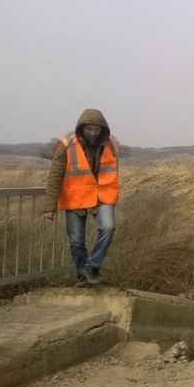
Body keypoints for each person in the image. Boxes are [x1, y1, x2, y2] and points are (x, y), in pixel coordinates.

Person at [42, 109, 119, 287]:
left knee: (108, 227)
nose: (93, 133)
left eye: (97, 129)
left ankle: (92, 267)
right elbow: (55, 177)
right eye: (89, 129)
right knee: (76, 240)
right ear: (81, 128)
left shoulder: (111, 144)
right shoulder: (66, 145)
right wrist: (49, 208)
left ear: (103, 129)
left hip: (102, 196)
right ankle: (83, 277)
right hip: (75, 198)